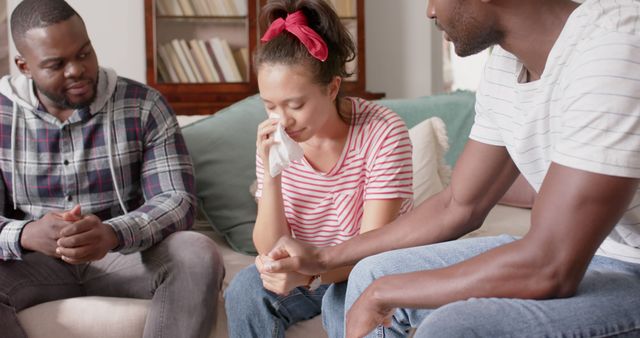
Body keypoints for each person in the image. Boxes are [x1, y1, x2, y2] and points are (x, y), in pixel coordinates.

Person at [261, 0, 640, 337]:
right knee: (369, 272)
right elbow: (458, 204)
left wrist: (383, 294)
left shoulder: (614, 49)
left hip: (624, 268)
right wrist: (323, 257)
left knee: (455, 326)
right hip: (588, 255)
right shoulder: (505, 66)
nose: (429, 11)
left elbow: (551, 265)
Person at [0, 1, 224, 337]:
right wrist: (26, 234)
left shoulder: (144, 105)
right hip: (36, 264)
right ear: (24, 66)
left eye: (84, 53)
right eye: (56, 64)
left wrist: (113, 233)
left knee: (197, 252)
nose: (76, 69)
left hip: (124, 256)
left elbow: (177, 199)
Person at [223, 0, 414, 337]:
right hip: (304, 270)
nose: (282, 120)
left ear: (333, 87)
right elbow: (269, 247)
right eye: (269, 105)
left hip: (365, 268)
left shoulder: (383, 132)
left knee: (348, 303)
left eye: (295, 105)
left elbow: (374, 250)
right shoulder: (273, 138)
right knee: (245, 289)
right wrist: (271, 174)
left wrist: (311, 275)